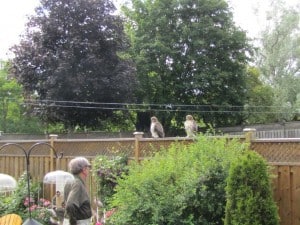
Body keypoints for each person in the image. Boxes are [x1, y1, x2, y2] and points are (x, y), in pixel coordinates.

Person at [63, 157, 92, 225]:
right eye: (88, 168)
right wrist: (73, 223)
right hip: (79, 222)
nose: (88, 170)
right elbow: (70, 205)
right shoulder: (77, 183)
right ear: (84, 169)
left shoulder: (70, 181)